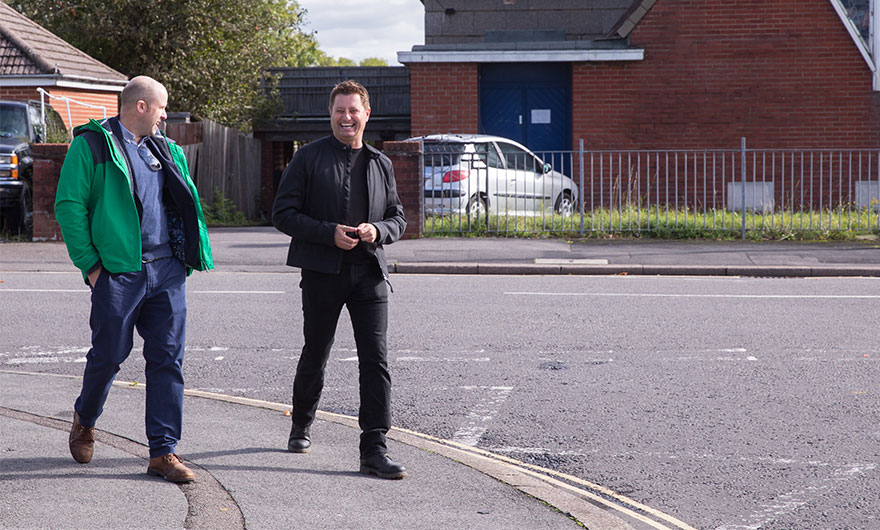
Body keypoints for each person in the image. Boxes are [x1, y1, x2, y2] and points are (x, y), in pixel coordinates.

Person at [55, 75, 214, 483]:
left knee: (167, 361)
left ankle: (163, 452)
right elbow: (70, 206)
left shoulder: (167, 148)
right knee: (108, 356)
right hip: (118, 272)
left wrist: (188, 258)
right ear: (140, 106)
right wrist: (91, 265)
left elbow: (186, 202)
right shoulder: (91, 144)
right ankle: (85, 418)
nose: (165, 115)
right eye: (161, 108)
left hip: (167, 271)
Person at [272, 80, 407, 479]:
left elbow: (398, 218)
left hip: (369, 274)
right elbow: (283, 213)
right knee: (317, 350)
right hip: (322, 272)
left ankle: (374, 448)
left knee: (376, 360)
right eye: (339, 111)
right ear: (330, 114)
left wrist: (377, 231)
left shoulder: (381, 163)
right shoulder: (308, 158)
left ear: (367, 114)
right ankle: (301, 424)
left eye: (353, 111)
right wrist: (328, 231)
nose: (346, 118)